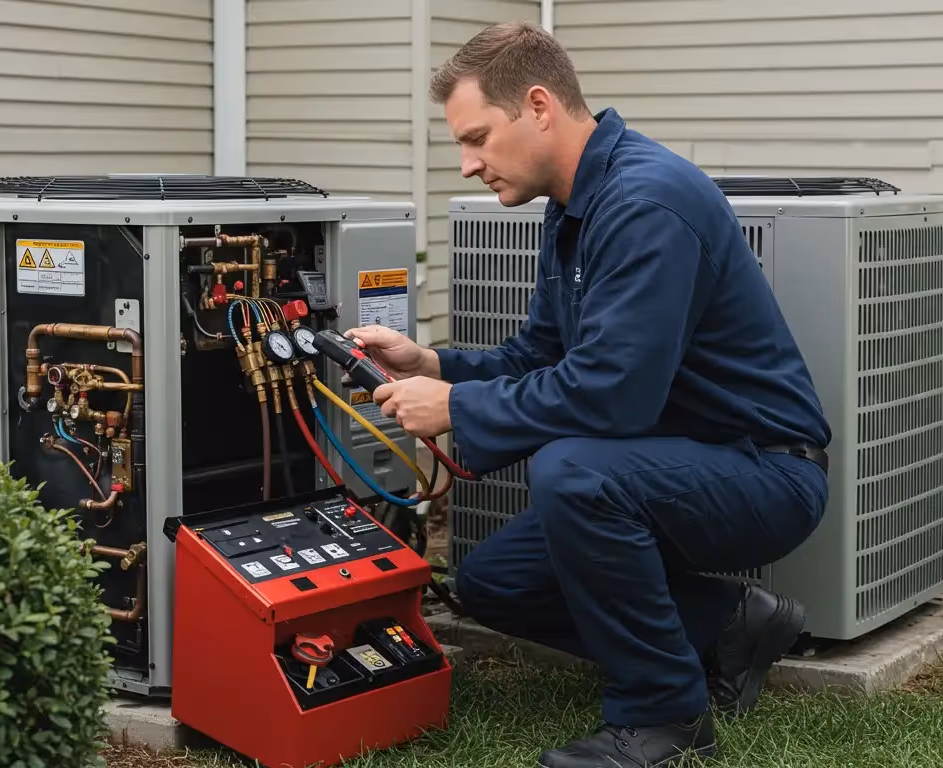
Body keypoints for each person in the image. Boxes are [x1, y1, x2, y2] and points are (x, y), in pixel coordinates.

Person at [344, 20, 832, 768]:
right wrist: (433, 365)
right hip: (672, 463)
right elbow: (541, 355)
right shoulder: (574, 204)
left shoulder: (646, 202)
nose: (468, 165)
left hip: (762, 470)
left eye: (476, 137)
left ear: (538, 106)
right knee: (493, 582)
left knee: (575, 470)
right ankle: (731, 624)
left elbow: (614, 396)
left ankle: (666, 718)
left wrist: (458, 411)